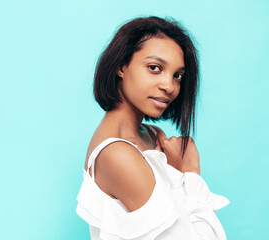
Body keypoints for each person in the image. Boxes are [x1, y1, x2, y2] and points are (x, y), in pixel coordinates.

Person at [76, 16, 229, 240]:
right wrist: (191, 174)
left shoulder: (151, 135)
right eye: (154, 68)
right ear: (122, 66)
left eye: (177, 76)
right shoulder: (118, 155)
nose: (169, 86)